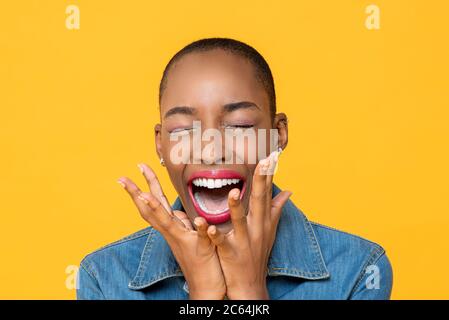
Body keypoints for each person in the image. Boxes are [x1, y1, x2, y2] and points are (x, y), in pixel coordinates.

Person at [77, 38, 393, 300]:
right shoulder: (105, 279)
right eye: (184, 128)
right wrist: (203, 293)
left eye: (239, 125)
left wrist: (249, 291)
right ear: (161, 144)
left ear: (278, 134)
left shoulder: (359, 271)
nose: (211, 150)